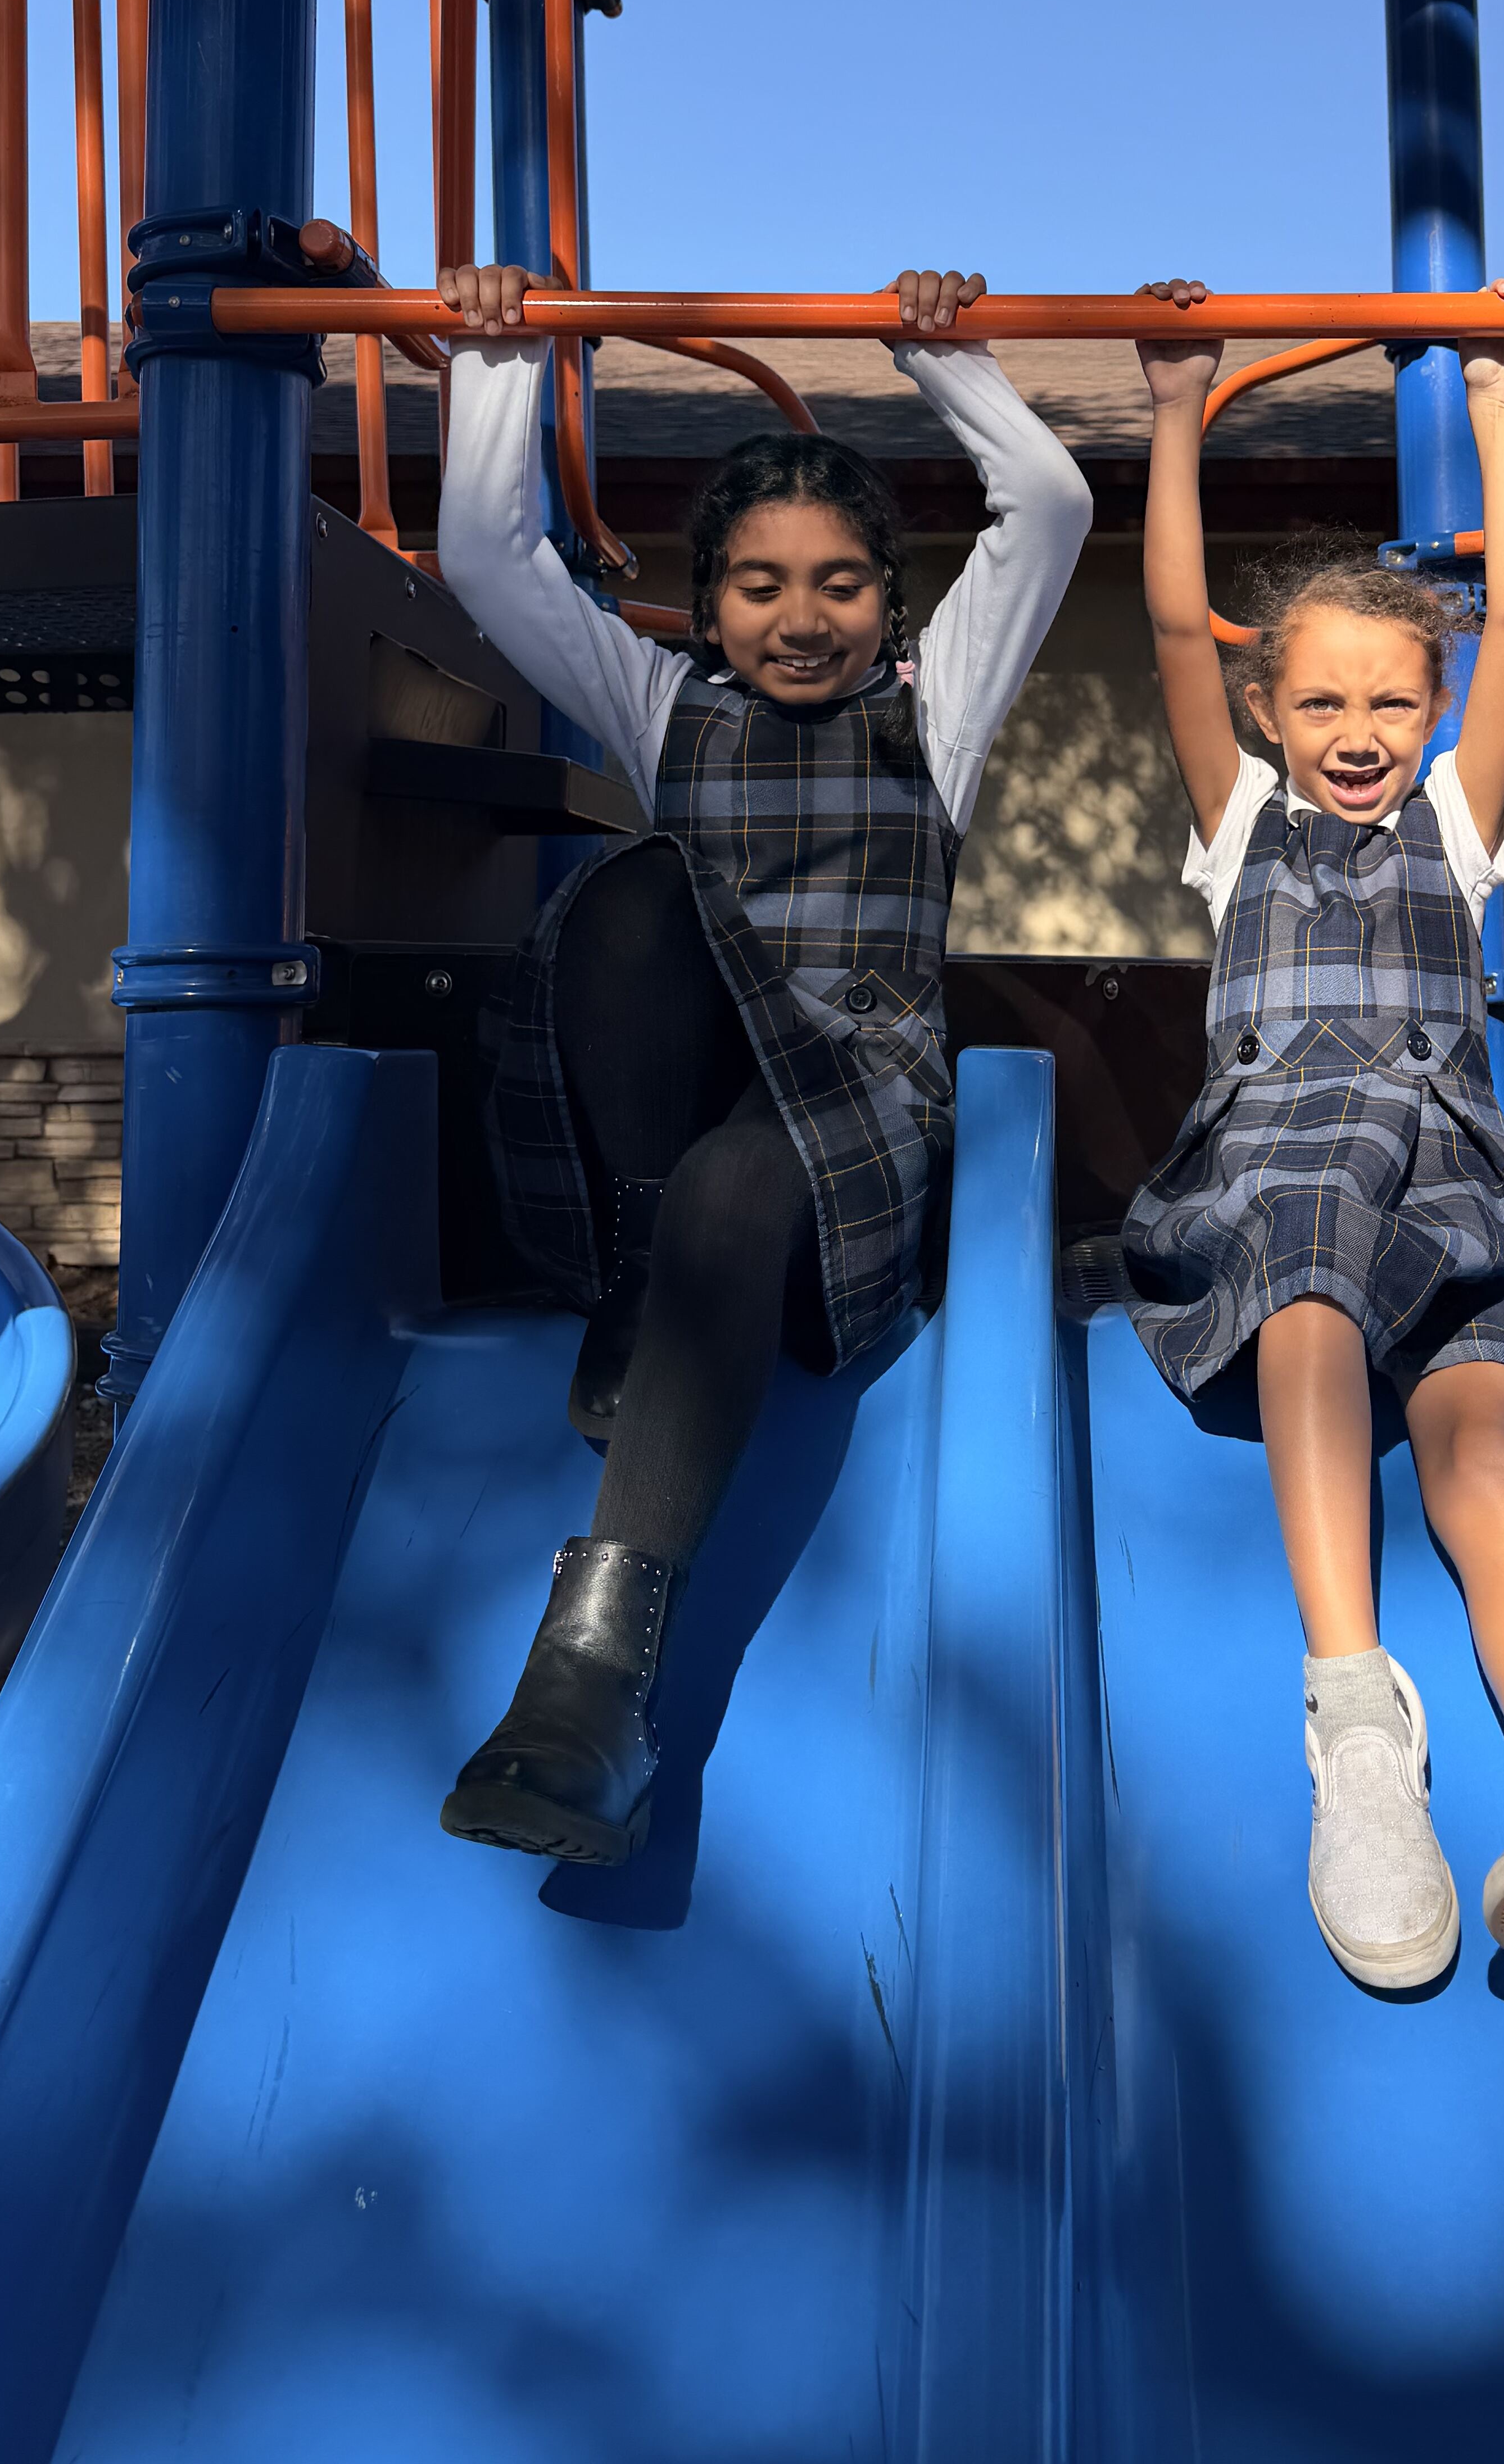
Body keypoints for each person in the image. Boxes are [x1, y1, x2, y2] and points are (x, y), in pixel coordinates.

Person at [430, 260, 1092, 1865]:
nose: (802, 618)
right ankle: (640, 1262)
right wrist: (493, 362)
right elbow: (484, 554)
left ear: (891, 597)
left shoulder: (935, 711)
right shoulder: (656, 703)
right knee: (638, 888)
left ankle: (589, 1689)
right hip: (679, 1087)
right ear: (703, 600)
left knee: (741, 1180)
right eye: (759, 585)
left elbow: (1052, 505)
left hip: (849, 1109)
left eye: (843, 583)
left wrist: (932, 357)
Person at [1121, 275, 1504, 2021]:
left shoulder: (1451, 817)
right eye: (1324, 706)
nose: (1359, 737)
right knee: (1303, 1283)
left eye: (1389, 708)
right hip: (1284, 1167)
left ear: (1425, 719)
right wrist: (1176, 407)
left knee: (1482, 1460)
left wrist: (1501, 409)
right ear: (1270, 710)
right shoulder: (1234, 818)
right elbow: (1174, 618)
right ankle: (1356, 1713)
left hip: (1453, 1183)